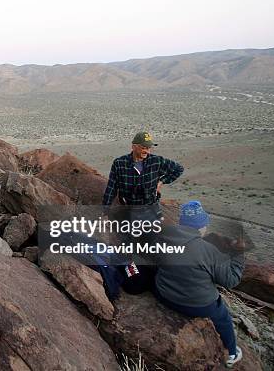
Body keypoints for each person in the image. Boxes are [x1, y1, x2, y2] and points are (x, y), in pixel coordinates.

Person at [154, 201, 244, 368]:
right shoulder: (208, 251)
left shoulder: (163, 236)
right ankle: (232, 352)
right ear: (201, 226)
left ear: (182, 223)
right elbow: (231, 281)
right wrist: (238, 255)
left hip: (164, 294)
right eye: (205, 223)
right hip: (198, 306)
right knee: (224, 318)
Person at [102, 131, 184, 217]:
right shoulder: (119, 163)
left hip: (151, 211)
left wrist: (161, 182)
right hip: (128, 211)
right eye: (144, 148)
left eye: (149, 148)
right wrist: (105, 212)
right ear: (133, 147)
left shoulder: (156, 161)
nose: (147, 152)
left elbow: (179, 169)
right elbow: (111, 189)